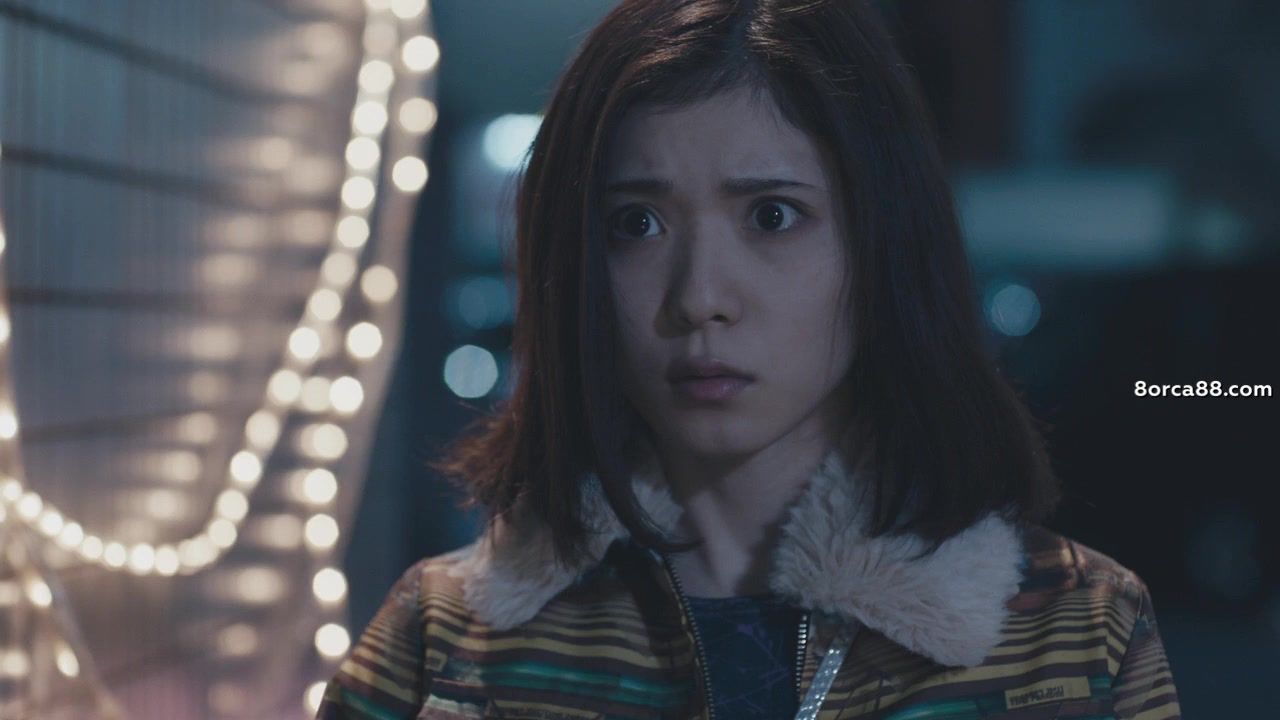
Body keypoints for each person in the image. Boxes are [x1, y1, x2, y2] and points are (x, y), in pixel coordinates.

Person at [317, 0, 1182, 717]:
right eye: (637, 224)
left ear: (881, 243)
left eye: (771, 216)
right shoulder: (447, 637)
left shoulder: (1072, 634)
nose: (700, 297)